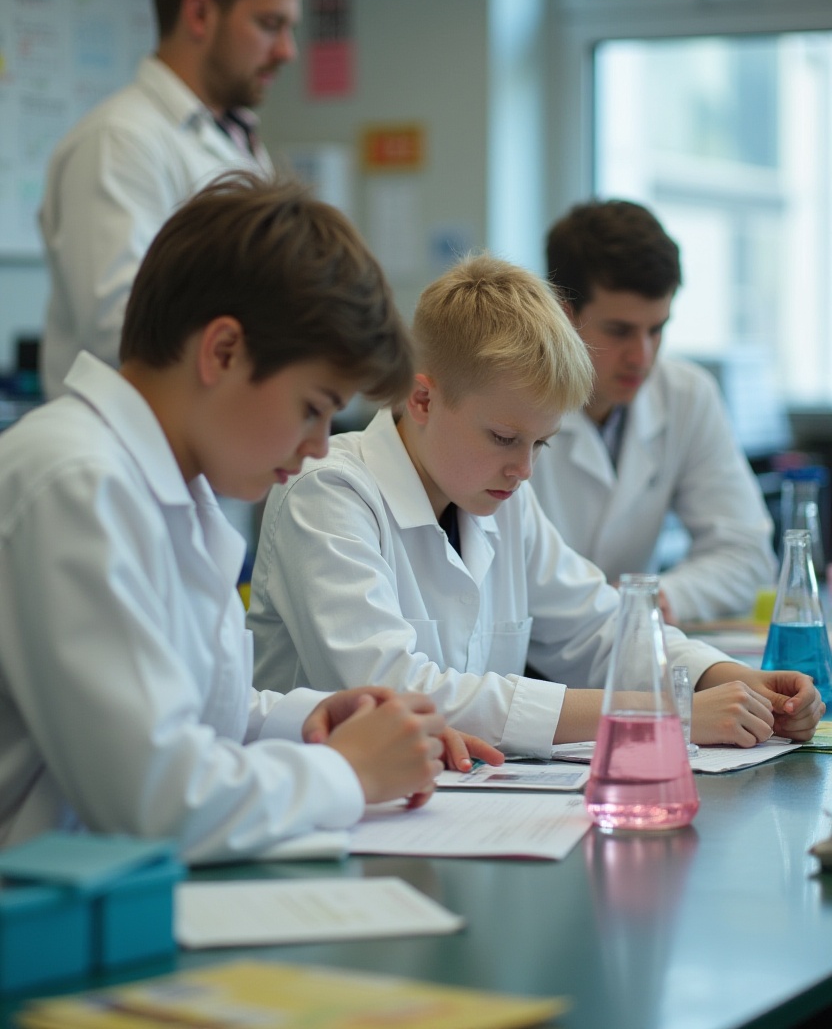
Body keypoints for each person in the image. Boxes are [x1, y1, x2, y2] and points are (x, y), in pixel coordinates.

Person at [0, 173, 501, 863]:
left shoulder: (177, 487)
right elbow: (152, 801)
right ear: (223, 351)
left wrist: (312, 721)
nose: (321, 444)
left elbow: (181, 715)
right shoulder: (76, 482)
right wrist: (346, 772)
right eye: (312, 406)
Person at [248, 253, 822, 756]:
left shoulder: (498, 498)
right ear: (422, 398)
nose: (524, 470)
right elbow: (395, 692)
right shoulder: (327, 491)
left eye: (540, 443)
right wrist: (662, 711)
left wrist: (729, 677)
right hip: (335, 822)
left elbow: (598, 628)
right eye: (504, 438)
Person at [39, 0, 305, 401]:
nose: (287, 51)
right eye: (270, 25)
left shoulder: (235, 137)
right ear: (200, 13)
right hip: (128, 456)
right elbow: (126, 329)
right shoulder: (119, 141)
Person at [530, 199, 778, 625]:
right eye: (620, 331)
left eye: (656, 329)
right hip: (525, 665)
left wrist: (657, 598)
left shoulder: (686, 394)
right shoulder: (510, 401)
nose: (642, 357)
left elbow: (748, 556)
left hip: (631, 645)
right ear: (562, 313)